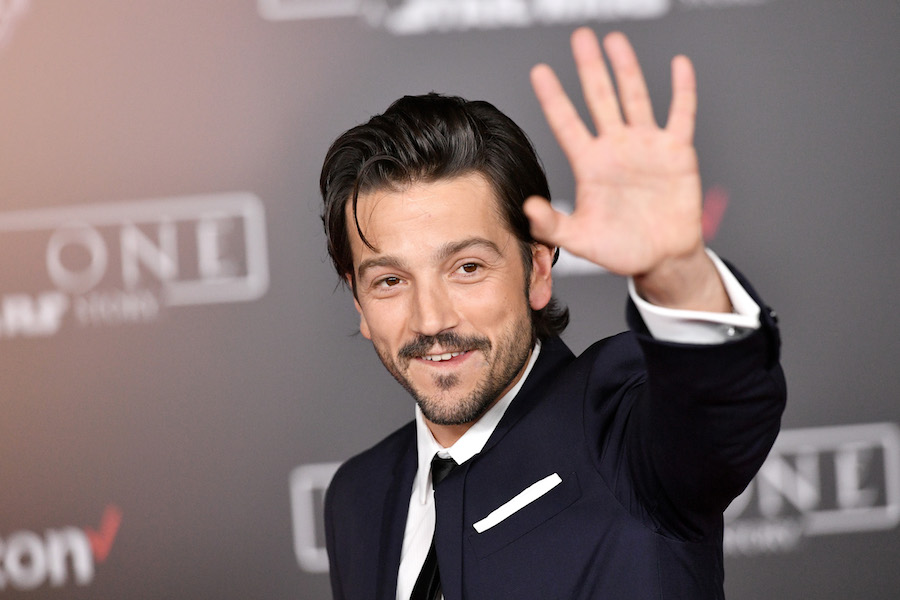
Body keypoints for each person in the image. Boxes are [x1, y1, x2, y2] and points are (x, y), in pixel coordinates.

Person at [320, 27, 786, 600]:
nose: (431, 320)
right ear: (360, 301)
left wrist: (676, 272)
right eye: (390, 281)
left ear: (538, 268)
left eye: (467, 267)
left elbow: (723, 408)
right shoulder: (358, 498)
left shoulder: (622, 428)